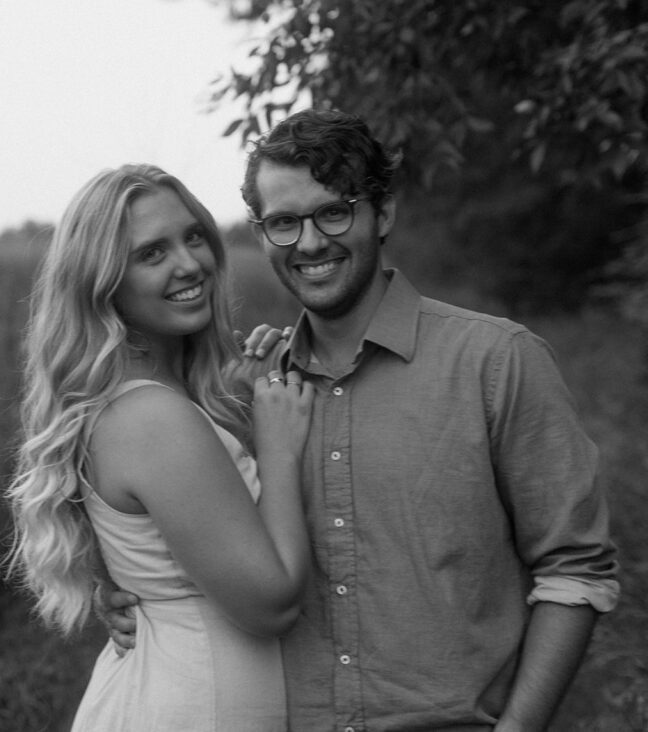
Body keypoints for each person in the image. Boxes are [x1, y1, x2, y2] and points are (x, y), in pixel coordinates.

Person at [102, 109, 621, 731]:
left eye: (334, 211)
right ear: (262, 234)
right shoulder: (246, 397)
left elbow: (574, 570)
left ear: (384, 214)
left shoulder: (496, 362)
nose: (312, 242)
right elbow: (190, 551)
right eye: (284, 223)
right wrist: (122, 595)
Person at [3, 163, 316, 731]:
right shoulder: (152, 416)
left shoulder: (154, 401)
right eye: (151, 254)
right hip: (196, 704)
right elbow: (270, 604)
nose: (190, 263)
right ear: (103, 283)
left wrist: (242, 409)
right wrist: (278, 445)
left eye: (193, 235)